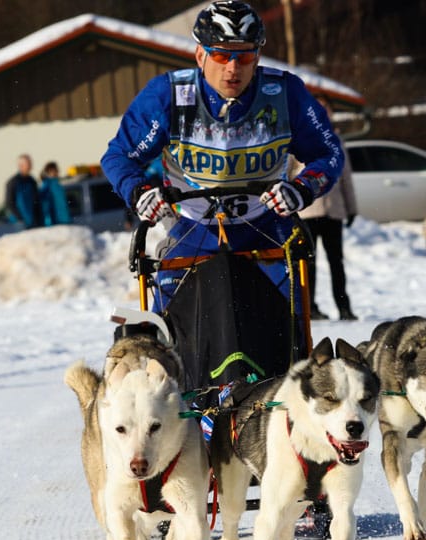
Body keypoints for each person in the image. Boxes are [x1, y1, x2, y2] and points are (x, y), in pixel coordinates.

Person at [100, 1, 344, 339]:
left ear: (257, 56)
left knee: (292, 335)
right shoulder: (169, 96)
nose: (233, 68)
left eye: (244, 56)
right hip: (194, 229)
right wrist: (139, 192)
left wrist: (301, 188)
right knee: (161, 338)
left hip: (265, 228)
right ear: (200, 55)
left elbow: (328, 154)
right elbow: (118, 157)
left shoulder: (285, 93)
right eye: (220, 55)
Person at [288, 95, 358, 321]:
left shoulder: (337, 141)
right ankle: (311, 306)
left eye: (327, 109)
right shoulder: (298, 138)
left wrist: (351, 208)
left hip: (333, 210)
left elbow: (345, 177)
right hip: (308, 211)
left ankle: (344, 306)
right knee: (309, 261)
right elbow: (288, 174)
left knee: (336, 262)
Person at [5, 154, 42, 228]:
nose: (31, 166)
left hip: (33, 223)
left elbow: (36, 202)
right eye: (28, 164)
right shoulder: (13, 182)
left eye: (31, 163)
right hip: (19, 224)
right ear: (20, 165)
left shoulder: (32, 181)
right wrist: (20, 219)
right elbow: (10, 203)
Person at [39, 161, 72, 226]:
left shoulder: (58, 185)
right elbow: (45, 205)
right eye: (53, 171)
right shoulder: (47, 186)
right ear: (48, 172)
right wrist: (49, 222)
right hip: (56, 222)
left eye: (56, 170)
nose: (56, 172)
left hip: (65, 220)